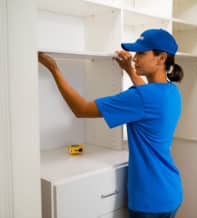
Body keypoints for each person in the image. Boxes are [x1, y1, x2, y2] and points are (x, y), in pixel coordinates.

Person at [38, 28, 184, 218]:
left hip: (150, 200)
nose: (134, 58)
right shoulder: (172, 91)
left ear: (161, 58)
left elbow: (81, 109)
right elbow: (147, 98)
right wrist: (130, 71)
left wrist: (54, 69)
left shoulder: (142, 97)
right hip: (170, 191)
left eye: (141, 53)